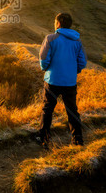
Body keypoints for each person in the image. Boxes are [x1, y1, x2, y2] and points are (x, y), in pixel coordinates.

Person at [35, 12, 87, 148]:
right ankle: (78, 140)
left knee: (48, 109)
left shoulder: (50, 38)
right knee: (72, 110)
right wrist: (72, 71)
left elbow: (43, 59)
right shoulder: (77, 41)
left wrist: (45, 68)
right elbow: (82, 62)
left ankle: (44, 139)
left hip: (53, 80)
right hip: (70, 82)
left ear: (58, 23)